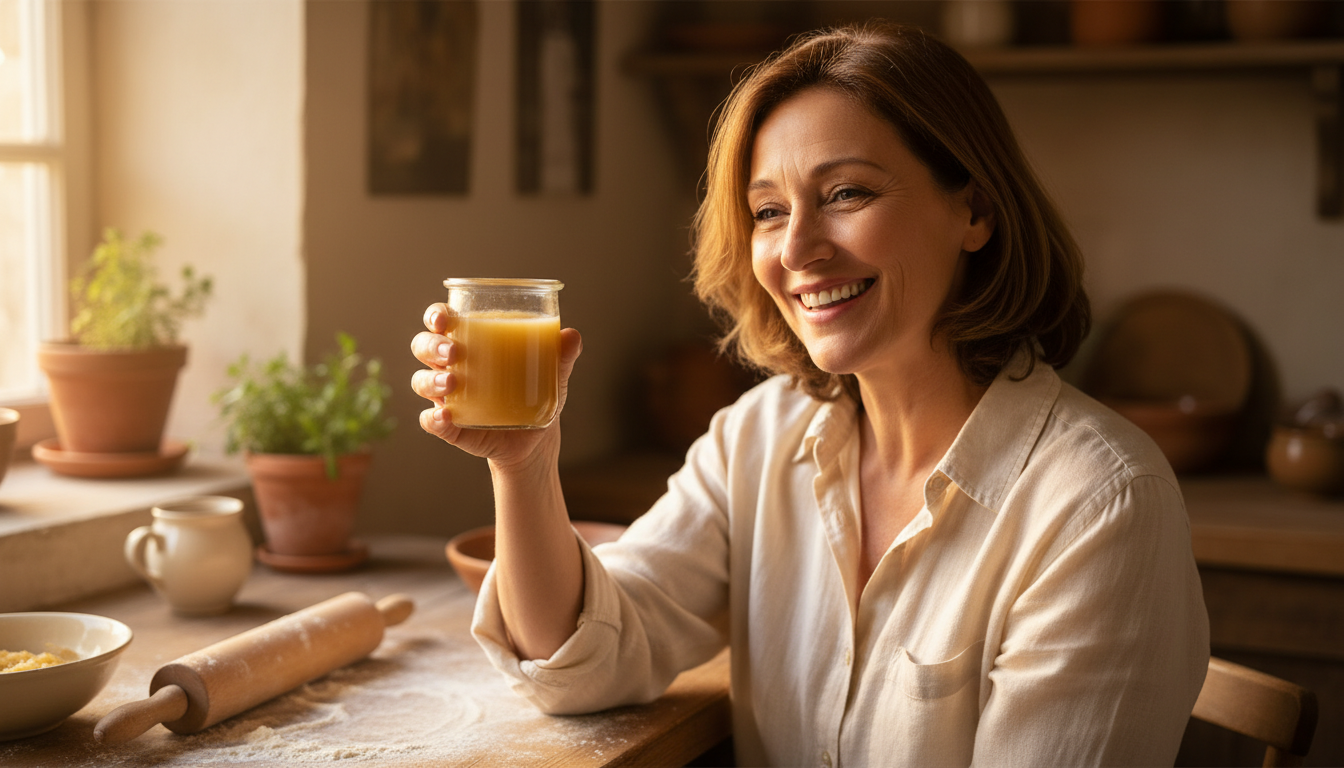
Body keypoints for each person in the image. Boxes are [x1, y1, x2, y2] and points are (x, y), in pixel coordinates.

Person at [411, 21, 1209, 767]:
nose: (797, 250)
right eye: (767, 211)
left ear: (975, 209)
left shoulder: (1100, 504)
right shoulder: (759, 436)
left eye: (847, 194)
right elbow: (584, 661)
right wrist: (525, 462)